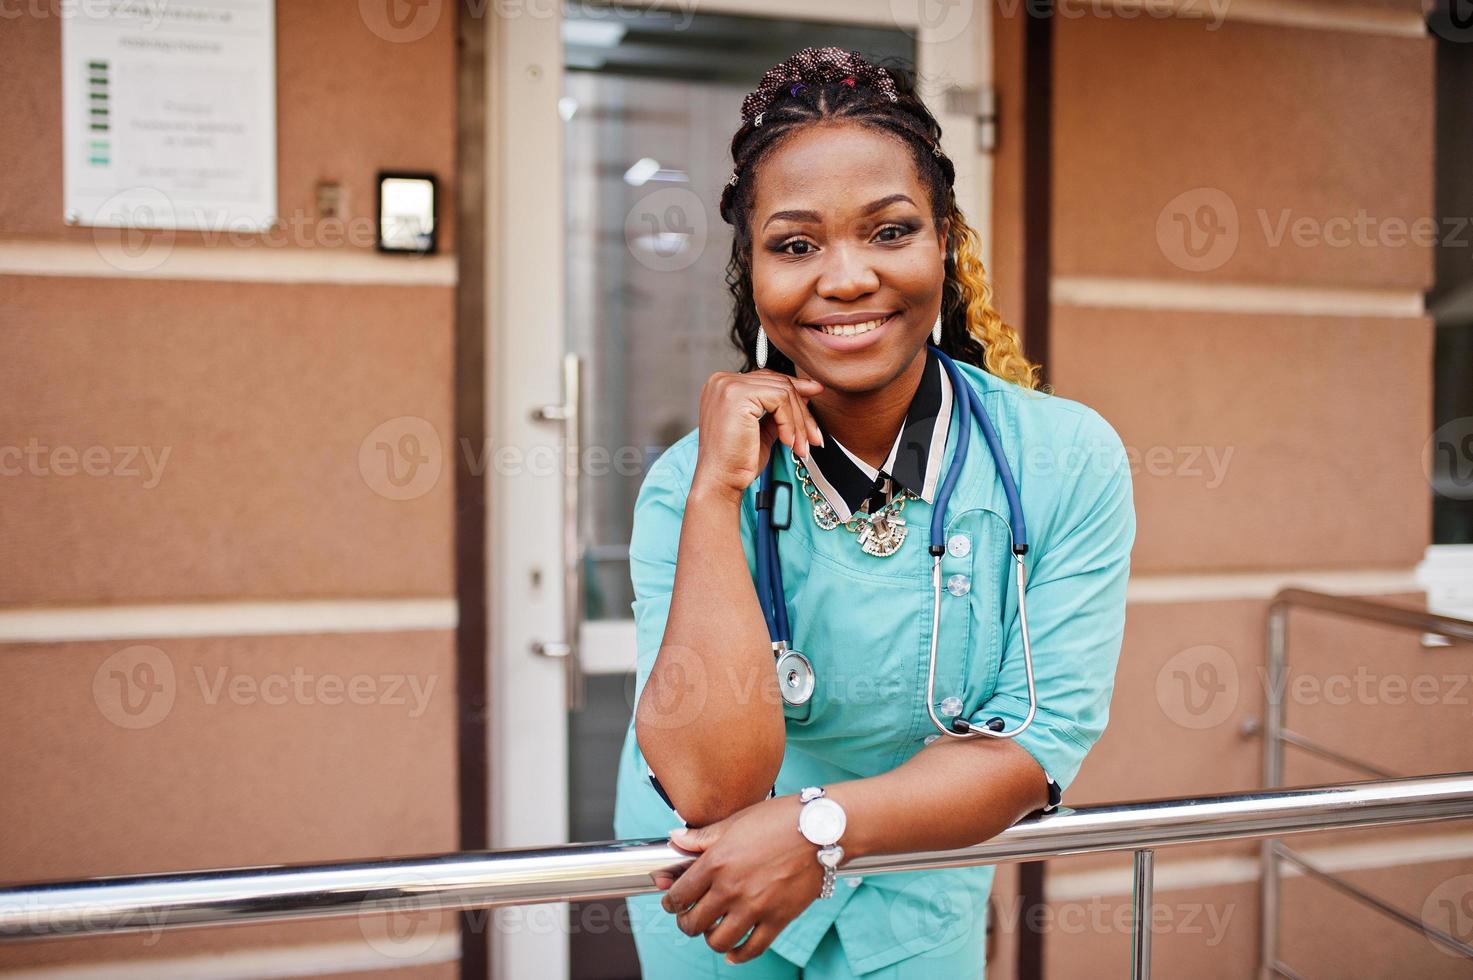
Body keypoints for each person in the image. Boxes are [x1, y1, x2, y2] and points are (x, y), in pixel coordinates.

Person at [611, 47, 1136, 978]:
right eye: (797, 243)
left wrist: (817, 828)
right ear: (751, 271)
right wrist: (713, 497)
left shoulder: (1062, 460)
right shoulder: (689, 482)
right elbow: (710, 787)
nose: (846, 279)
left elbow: (1036, 745)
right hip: (716, 890)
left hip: (908, 880)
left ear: (945, 241)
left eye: (889, 232)